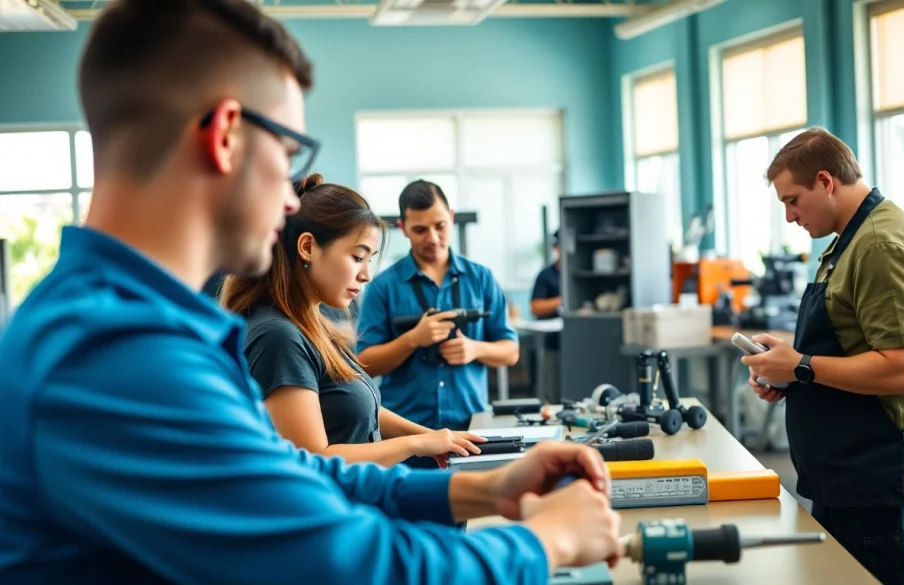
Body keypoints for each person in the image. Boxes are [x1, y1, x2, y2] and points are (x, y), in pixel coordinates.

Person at [0, 1, 623, 583]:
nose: (293, 198)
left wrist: (482, 489)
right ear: (224, 137)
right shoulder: (114, 354)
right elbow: (342, 565)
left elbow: (289, 472)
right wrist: (547, 543)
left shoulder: (148, 325)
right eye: (289, 153)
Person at [740, 128, 904, 585]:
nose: (790, 215)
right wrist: (791, 372)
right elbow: (851, 348)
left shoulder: (879, 245)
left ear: (825, 181)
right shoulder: (848, 242)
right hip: (848, 476)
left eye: (792, 200)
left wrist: (801, 366)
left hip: (885, 482)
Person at [221, 173, 487, 467]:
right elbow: (311, 459)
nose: (367, 275)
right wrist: (417, 443)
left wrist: (437, 438)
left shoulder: (311, 326)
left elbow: (360, 407)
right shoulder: (278, 336)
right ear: (308, 247)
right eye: (358, 257)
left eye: (369, 260)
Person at [356, 180, 520, 432]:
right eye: (420, 229)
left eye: (440, 226)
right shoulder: (382, 287)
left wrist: (474, 349)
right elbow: (365, 363)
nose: (432, 238)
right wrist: (412, 340)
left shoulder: (481, 278)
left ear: (451, 218)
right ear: (403, 228)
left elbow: (511, 351)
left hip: (470, 429)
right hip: (405, 433)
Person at [529, 228, 562, 403]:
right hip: (553, 344)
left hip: (577, 341)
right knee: (554, 391)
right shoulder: (546, 275)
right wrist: (562, 301)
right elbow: (535, 307)